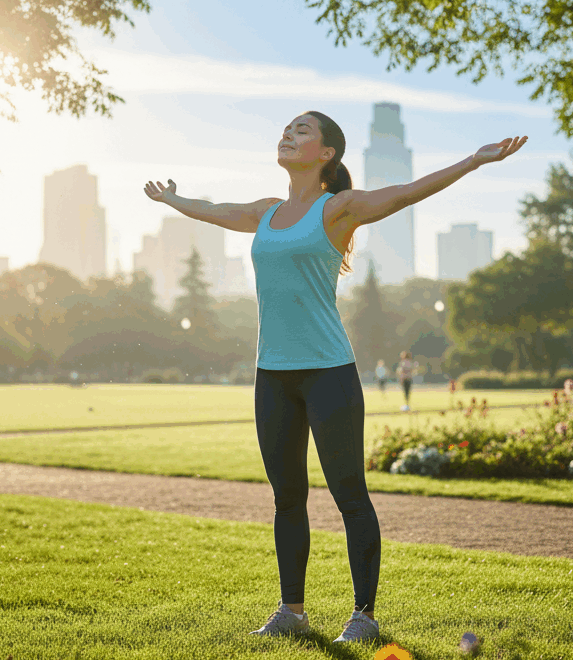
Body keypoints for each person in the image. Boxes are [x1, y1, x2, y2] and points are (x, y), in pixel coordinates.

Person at [144, 111, 525, 643]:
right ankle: (291, 612)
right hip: (272, 376)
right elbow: (216, 210)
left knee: (350, 495)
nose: (288, 134)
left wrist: (474, 160)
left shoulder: (338, 208)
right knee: (286, 497)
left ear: (327, 154)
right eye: (286, 128)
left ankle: (364, 618)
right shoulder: (267, 212)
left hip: (328, 373)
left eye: (302, 130)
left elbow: (407, 192)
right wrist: (172, 201)